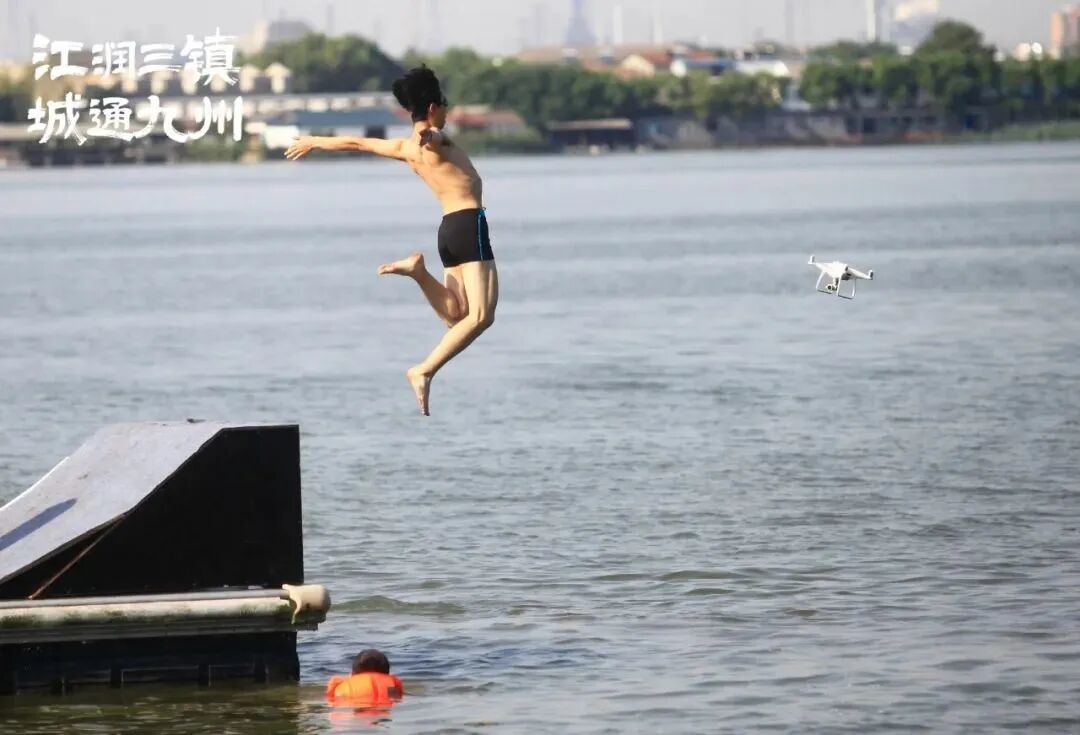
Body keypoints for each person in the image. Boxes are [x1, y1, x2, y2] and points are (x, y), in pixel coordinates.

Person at [285, 66, 498, 417]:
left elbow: (359, 143)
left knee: (455, 317)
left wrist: (315, 141)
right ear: (433, 107)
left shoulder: (405, 147)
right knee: (480, 316)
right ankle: (424, 370)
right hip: (468, 224)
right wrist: (431, 135)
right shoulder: (436, 140)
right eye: (444, 104)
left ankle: (418, 273)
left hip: (448, 231)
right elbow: (435, 138)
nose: (447, 110)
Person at [325, 649, 404, 707]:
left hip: (356, 711)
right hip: (384, 711)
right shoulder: (391, 685)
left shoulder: (344, 684)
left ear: (353, 673)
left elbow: (332, 701)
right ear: (387, 674)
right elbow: (395, 699)